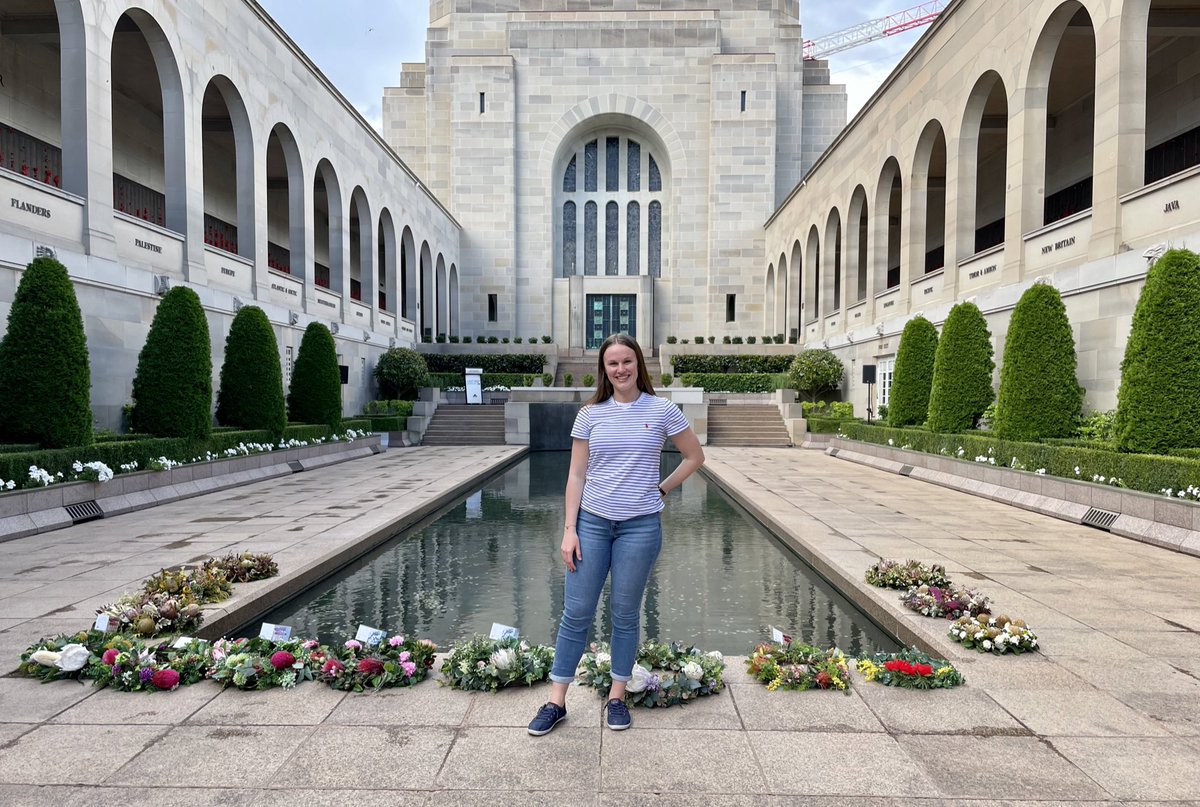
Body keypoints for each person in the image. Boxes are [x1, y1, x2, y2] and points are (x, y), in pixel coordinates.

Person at [528, 333, 705, 735]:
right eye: (612, 363)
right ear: (603, 370)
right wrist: (569, 529)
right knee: (576, 614)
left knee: (625, 615)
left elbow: (695, 457)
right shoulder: (590, 415)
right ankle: (556, 702)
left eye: (627, 361)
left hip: (640, 527)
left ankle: (617, 697)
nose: (620, 369)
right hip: (591, 523)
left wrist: (661, 488)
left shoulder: (662, 410)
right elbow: (576, 475)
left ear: (638, 364)